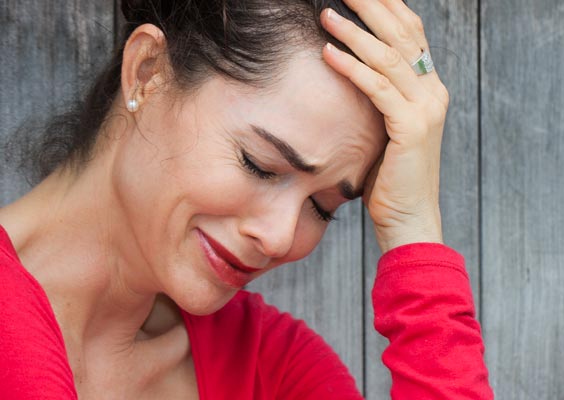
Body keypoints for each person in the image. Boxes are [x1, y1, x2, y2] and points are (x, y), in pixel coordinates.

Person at [0, 0, 492, 398]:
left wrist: (412, 229)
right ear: (147, 72)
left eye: (321, 208)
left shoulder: (272, 367)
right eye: (260, 164)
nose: (278, 238)